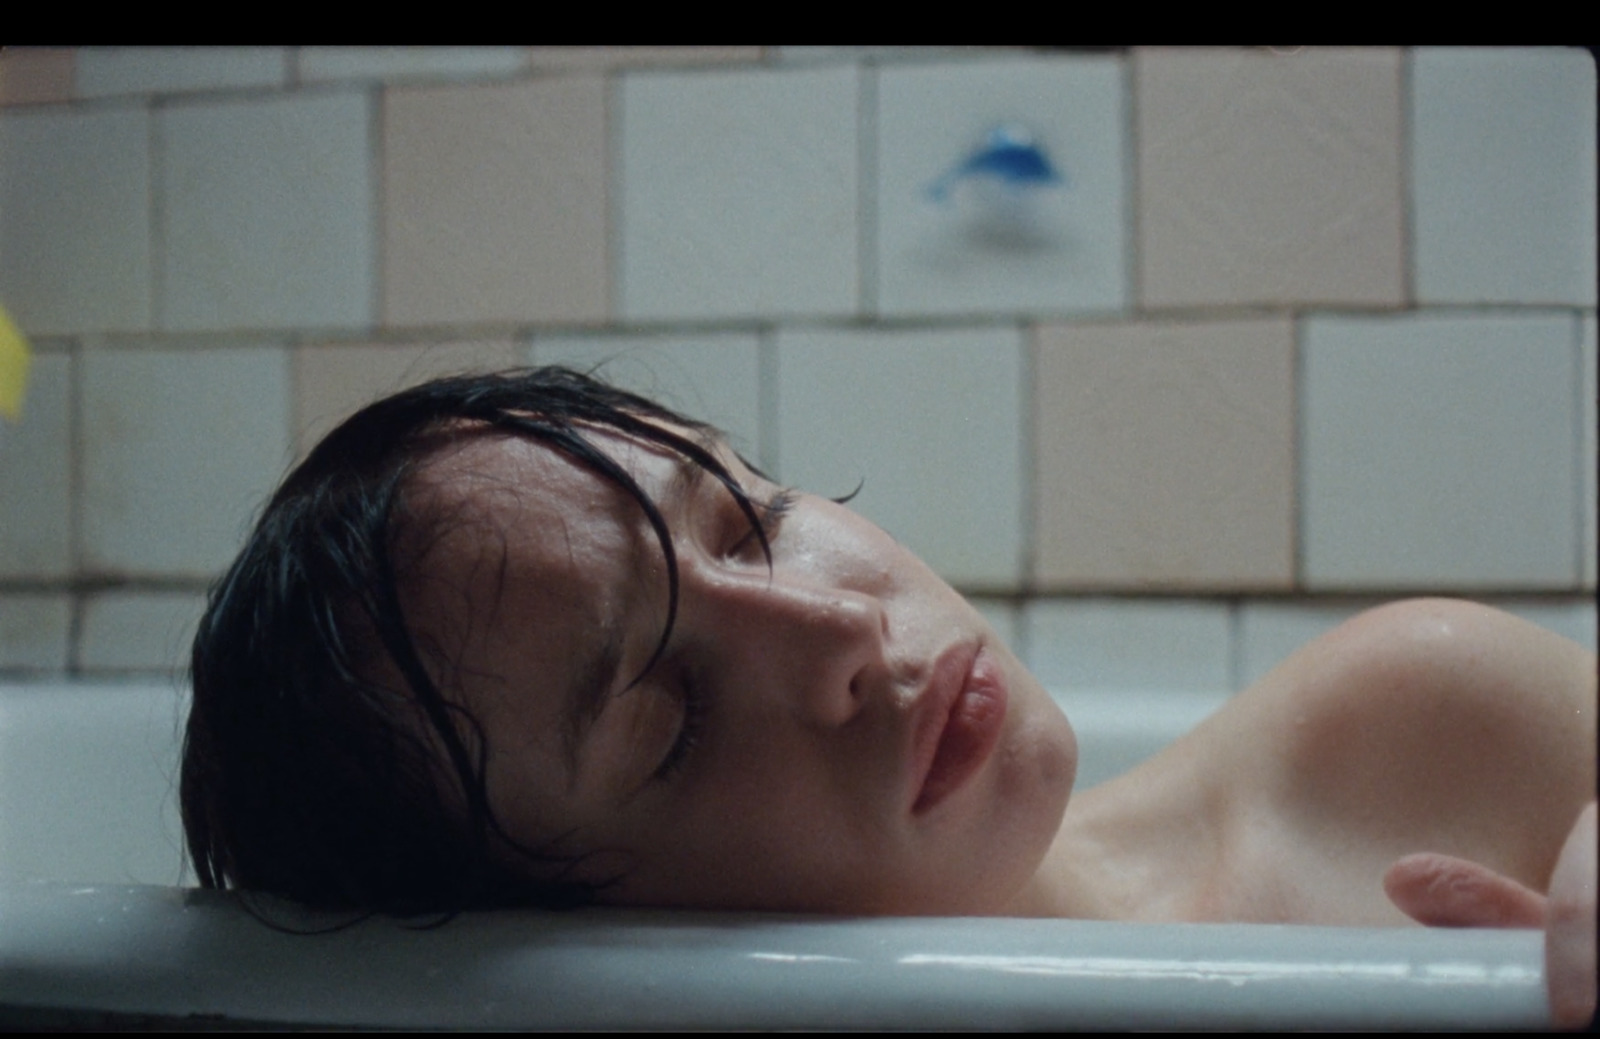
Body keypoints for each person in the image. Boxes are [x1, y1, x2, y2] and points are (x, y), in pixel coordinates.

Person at [180, 367, 1596, 1026]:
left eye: (745, 520)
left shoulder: (1420, 725)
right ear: (573, 947)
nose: (837, 631)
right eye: (670, 725)